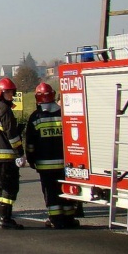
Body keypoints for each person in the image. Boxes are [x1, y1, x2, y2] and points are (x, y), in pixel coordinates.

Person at [25, 83, 79, 229]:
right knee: (66, 190)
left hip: (45, 164)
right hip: (65, 163)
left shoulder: (36, 117)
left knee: (50, 192)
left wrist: (30, 159)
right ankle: (69, 217)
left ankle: (55, 219)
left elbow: (30, 144)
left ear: (38, 97)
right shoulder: (63, 114)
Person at [0, 77, 26, 230]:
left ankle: (3, 217)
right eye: (10, 93)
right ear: (2, 93)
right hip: (6, 156)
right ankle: (6, 219)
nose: (12, 96)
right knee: (10, 187)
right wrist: (20, 152)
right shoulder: (4, 109)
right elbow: (11, 135)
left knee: (1, 188)